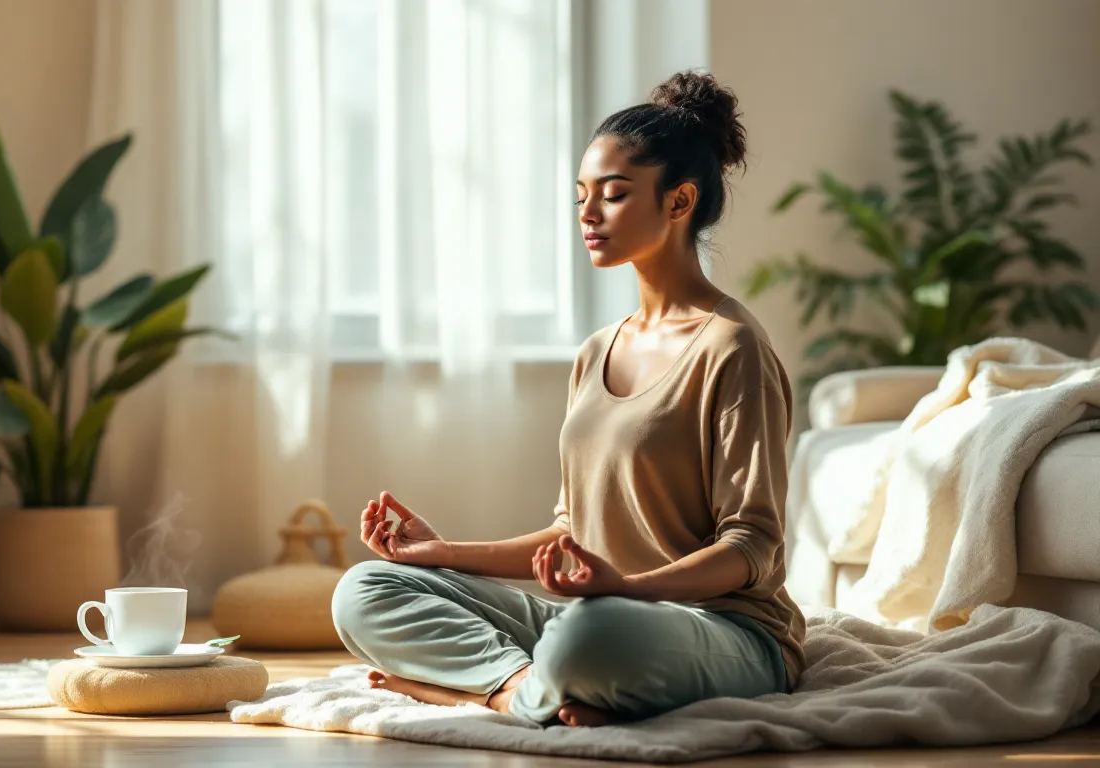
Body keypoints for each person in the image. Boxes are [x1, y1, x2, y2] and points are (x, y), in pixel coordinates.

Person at [330, 70, 805, 728]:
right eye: (582, 195)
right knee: (365, 590)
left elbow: (751, 549)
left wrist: (625, 591)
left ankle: (482, 690)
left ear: (679, 202)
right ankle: (518, 690)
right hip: (598, 613)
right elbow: (570, 535)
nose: (588, 214)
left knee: (590, 639)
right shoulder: (594, 353)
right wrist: (441, 553)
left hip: (719, 632)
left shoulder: (733, 349)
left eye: (613, 195)